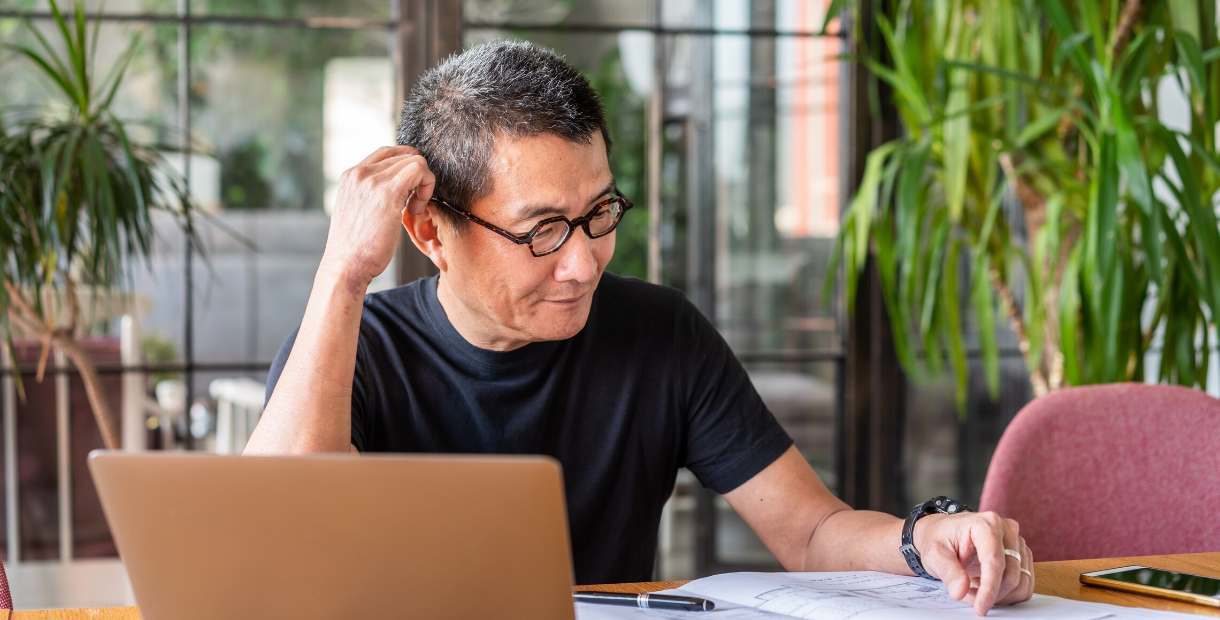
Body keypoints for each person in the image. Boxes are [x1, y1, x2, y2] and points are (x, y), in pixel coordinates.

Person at [245, 40, 1033, 614]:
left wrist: (920, 539)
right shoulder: (352, 344)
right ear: (430, 232)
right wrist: (343, 272)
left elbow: (812, 530)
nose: (583, 264)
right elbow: (272, 546)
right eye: (543, 229)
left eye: (599, 214)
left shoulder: (660, 335)